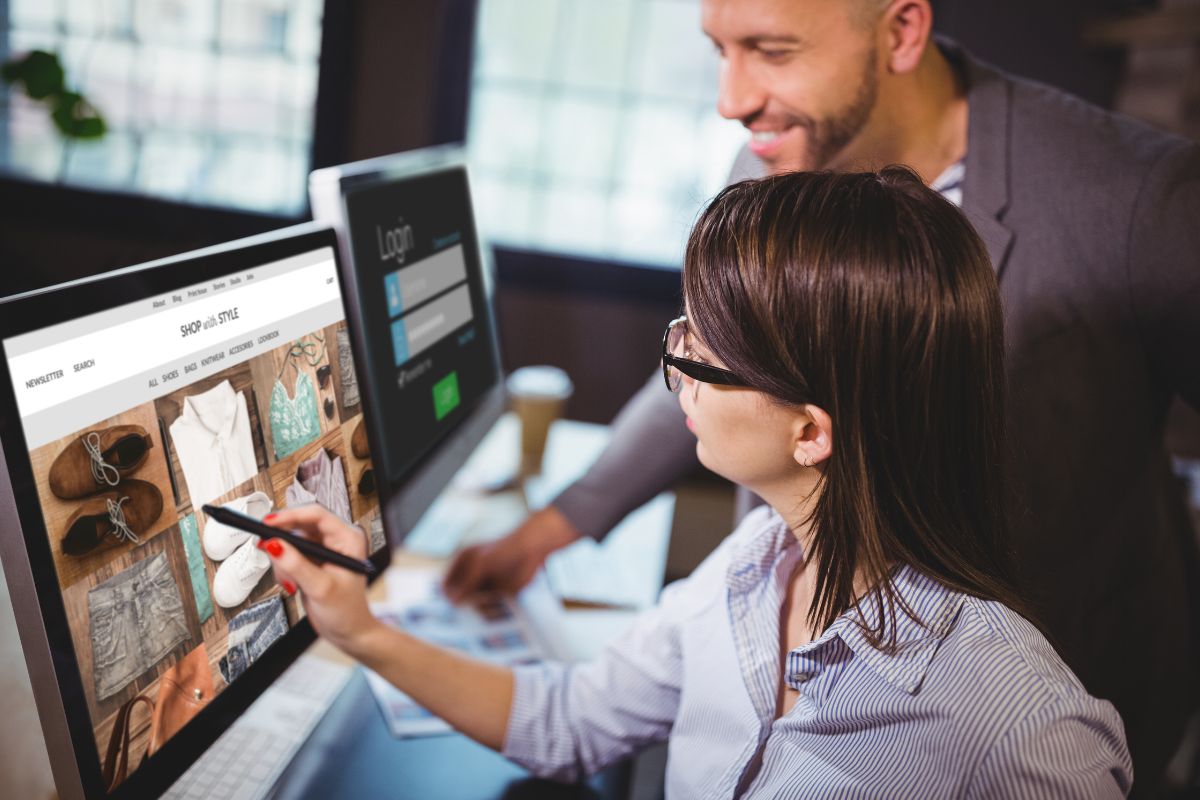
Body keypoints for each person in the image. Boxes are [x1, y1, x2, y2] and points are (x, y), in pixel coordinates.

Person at [442, 0, 1200, 790]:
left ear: (901, 31)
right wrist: (549, 531)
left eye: (771, 50)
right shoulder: (774, 160)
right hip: (805, 665)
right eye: (719, 50)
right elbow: (710, 370)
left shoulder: (1136, 198)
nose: (731, 100)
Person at [260, 169, 1132, 798]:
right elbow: (571, 722)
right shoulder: (753, 567)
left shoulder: (1025, 731)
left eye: (703, 355)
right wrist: (360, 629)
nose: (674, 367)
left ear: (810, 432)